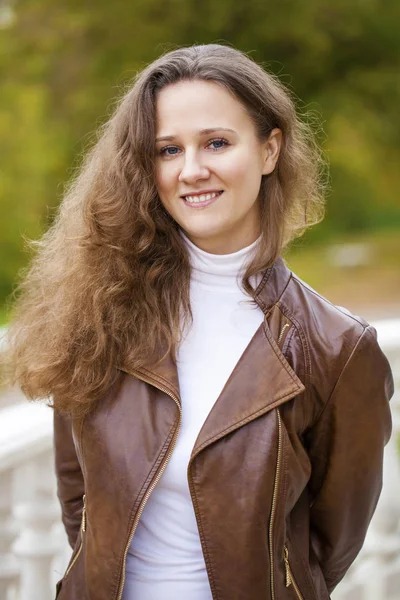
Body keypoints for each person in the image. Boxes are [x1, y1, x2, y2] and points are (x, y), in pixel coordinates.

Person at [4, 44, 393, 600]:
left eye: (216, 142)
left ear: (268, 149)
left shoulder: (338, 349)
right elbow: (81, 499)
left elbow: (331, 542)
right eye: (167, 149)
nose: (191, 170)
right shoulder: (100, 309)